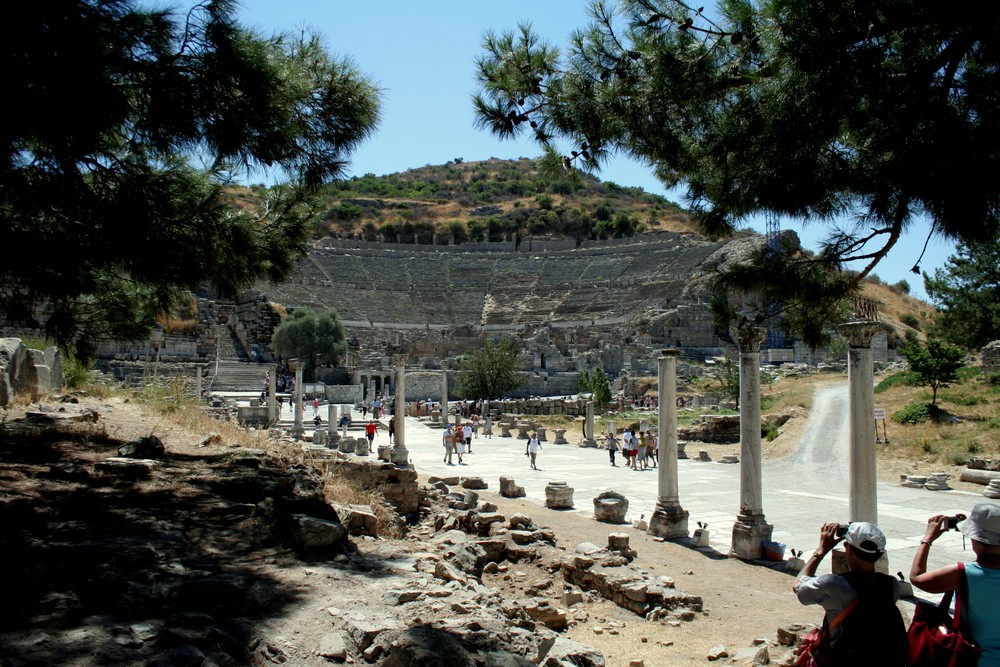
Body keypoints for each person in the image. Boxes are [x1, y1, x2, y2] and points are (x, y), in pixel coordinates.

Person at [793, 521, 906, 665]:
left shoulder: (833, 585)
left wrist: (821, 550)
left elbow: (798, 586)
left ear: (849, 550)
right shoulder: (892, 585)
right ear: (880, 554)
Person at [909, 503, 1000, 667]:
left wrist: (927, 539)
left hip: (975, 660)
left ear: (975, 538)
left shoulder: (961, 573)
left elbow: (917, 577)